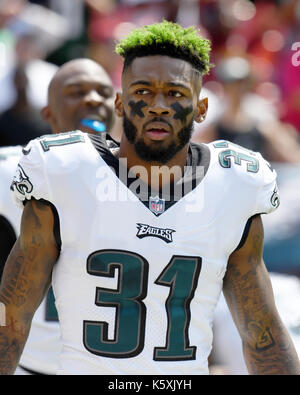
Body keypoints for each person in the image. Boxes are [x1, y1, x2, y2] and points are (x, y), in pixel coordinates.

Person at [1, 20, 299, 375]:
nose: (158, 106)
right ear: (121, 102)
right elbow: (12, 319)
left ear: (202, 108)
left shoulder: (234, 184)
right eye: (142, 91)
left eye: (175, 93)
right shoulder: (63, 171)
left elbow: (261, 331)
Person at [0, 57, 115, 375]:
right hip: (28, 365)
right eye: (76, 92)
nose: (92, 99)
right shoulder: (12, 169)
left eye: (103, 92)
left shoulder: (144, 179)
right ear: (48, 114)